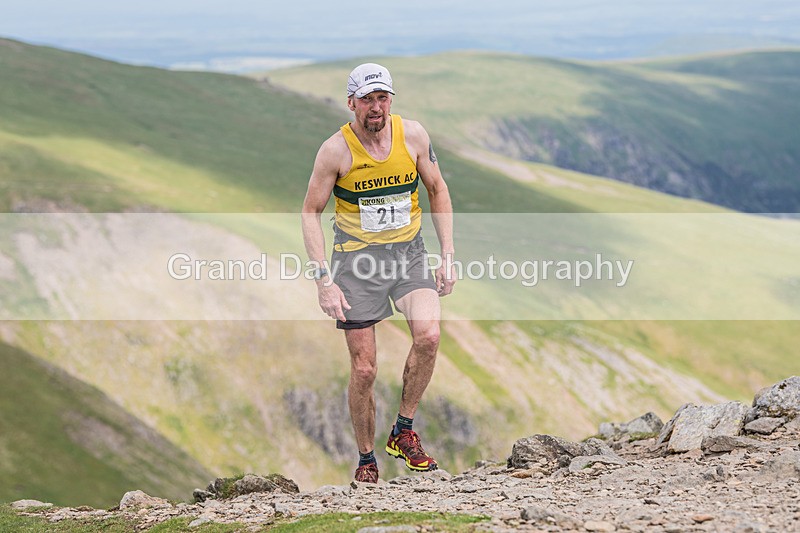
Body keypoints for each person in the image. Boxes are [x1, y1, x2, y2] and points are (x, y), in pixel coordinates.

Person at [301, 62, 456, 483]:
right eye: (367, 99)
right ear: (351, 102)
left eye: (382, 98)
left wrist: (447, 254)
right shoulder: (335, 150)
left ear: (391, 100)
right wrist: (323, 281)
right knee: (365, 369)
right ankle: (366, 459)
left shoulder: (414, 136)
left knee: (429, 335)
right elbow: (311, 212)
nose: (375, 107)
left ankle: (403, 431)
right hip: (356, 264)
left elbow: (437, 189)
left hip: (408, 255)